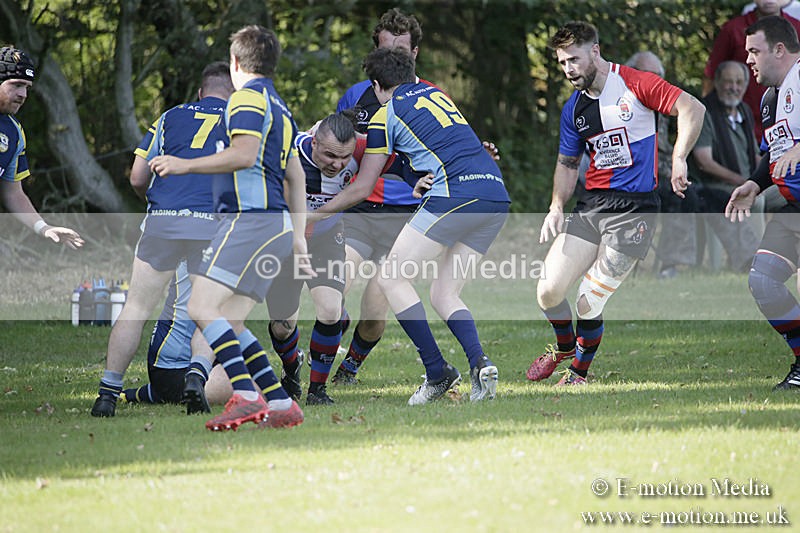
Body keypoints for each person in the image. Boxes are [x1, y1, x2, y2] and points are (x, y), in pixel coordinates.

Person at [311, 47, 509, 405]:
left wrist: (315, 213)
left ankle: (437, 372)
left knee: (390, 278)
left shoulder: (386, 113)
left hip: (456, 191)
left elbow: (362, 186)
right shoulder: (436, 94)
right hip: (495, 193)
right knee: (445, 293)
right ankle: (480, 364)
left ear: (376, 84)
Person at [527, 21, 705, 386]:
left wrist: (680, 157)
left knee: (589, 297)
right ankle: (563, 346)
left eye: (573, 59)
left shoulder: (635, 83)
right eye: (562, 63)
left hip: (635, 209)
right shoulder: (573, 109)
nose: (568, 69)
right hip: (592, 206)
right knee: (547, 289)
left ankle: (578, 372)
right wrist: (556, 207)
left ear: (595, 50)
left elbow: (692, 108)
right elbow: (567, 164)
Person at [149, 25, 309, 430]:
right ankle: (279, 403)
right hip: (275, 227)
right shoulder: (282, 108)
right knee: (232, 322)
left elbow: (244, 154)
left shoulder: (245, 100)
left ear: (235, 63)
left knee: (200, 307)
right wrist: (300, 239)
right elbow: (296, 177)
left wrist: (183, 164)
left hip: (249, 221)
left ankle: (246, 395)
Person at [90, 61, 233, 418]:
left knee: (136, 307)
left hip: (163, 219)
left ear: (200, 91)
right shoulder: (242, 120)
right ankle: (196, 377)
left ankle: (108, 394)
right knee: (210, 309)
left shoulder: (170, 116)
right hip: (211, 223)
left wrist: (158, 206)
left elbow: (138, 177)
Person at [329, 8, 428, 386]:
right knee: (334, 288)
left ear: (415, 52)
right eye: (385, 51)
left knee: (375, 308)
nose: (393, 60)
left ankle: (350, 367)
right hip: (359, 208)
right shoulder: (358, 96)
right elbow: (335, 147)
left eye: (400, 51)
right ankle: (322, 356)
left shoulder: (431, 96)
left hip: (406, 216)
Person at [267, 111, 363, 406]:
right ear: (313, 143)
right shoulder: (288, 151)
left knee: (331, 309)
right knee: (282, 324)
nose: (337, 164)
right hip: (284, 242)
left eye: (344, 157)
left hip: (326, 238)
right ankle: (291, 368)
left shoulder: (361, 157)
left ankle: (317, 392)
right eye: (330, 155)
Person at [726, 15, 800, 390]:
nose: (748, 59)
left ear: (780, 50)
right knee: (763, 281)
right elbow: (772, 156)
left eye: (754, 51)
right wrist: (754, 185)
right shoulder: (771, 99)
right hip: (794, 211)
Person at [626, 51, 700, 279]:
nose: (655, 81)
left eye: (659, 76)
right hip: (628, 175)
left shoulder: (661, 106)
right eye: (649, 75)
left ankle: (670, 265)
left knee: (686, 193)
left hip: (660, 174)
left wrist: (675, 171)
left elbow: (665, 151)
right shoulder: (621, 106)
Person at [0, 46, 83, 249]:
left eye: (27, 87)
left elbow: (13, 193)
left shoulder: (14, 132)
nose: (23, 94)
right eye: (16, 85)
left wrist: (44, 228)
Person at [121, 262, 233, 408]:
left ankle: (151, 393)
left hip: (169, 361)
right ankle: (166, 390)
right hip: (176, 367)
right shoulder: (219, 255)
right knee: (257, 387)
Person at [692, 60, 762, 272]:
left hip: (747, 180)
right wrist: (744, 182)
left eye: (739, 82)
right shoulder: (705, 111)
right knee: (758, 201)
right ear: (717, 83)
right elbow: (704, 162)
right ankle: (756, 262)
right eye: (728, 82)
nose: (734, 87)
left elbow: (756, 156)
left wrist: (767, 178)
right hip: (714, 185)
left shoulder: (744, 111)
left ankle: (777, 257)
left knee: (787, 193)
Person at [704, 0, 800, 140]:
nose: (749, 60)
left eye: (755, 52)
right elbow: (711, 75)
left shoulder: (797, 28)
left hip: (788, 126)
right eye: (749, 52)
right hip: (743, 126)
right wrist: (707, 119)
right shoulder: (733, 29)